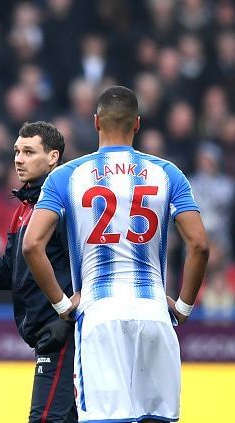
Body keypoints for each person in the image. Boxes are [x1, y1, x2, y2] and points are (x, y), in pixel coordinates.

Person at [22, 86, 209, 423]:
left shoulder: (66, 176)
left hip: (99, 315)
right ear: (137, 124)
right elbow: (199, 245)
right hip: (154, 313)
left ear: (96, 122)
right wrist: (182, 307)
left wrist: (63, 305)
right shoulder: (168, 173)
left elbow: (31, 244)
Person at [0, 121, 77, 423]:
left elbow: (90, 264)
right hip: (48, 331)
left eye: (29, 152)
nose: (18, 159)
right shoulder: (23, 207)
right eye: (17, 151)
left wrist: (67, 312)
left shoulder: (65, 203)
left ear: (53, 157)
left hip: (62, 332)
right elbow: (10, 272)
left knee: (44, 419)